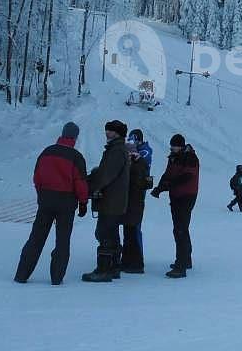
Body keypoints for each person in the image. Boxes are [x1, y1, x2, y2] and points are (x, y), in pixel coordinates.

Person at [15, 122, 89, 285]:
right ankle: (56, 278)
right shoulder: (76, 157)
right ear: (75, 137)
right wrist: (83, 202)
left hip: (46, 201)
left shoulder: (46, 152)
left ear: (62, 134)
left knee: (36, 238)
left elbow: (37, 177)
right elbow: (80, 183)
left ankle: (21, 275)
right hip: (67, 203)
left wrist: (42, 195)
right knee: (62, 241)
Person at [82, 120, 131, 283]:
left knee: (104, 233)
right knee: (111, 233)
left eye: (109, 131)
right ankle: (114, 267)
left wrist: (90, 187)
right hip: (114, 200)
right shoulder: (116, 149)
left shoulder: (116, 150)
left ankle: (104, 270)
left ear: (117, 133)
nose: (106, 133)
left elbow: (106, 174)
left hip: (112, 200)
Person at [151, 134, 200, 277]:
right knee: (181, 228)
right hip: (176, 196)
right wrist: (159, 188)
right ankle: (186, 260)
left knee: (180, 229)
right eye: (172, 145)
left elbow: (187, 176)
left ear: (181, 146)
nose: (172, 148)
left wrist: (169, 185)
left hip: (186, 196)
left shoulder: (190, 158)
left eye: (175, 145)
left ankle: (181, 265)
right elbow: (167, 174)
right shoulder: (173, 157)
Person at [120, 132, 153, 274]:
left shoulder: (144, 152)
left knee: (134, 228)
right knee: (129, 228)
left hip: (137, 195)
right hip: (131, 195)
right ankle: (129, 260)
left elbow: (140, 168)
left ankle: (136, 261)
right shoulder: (137, 154)